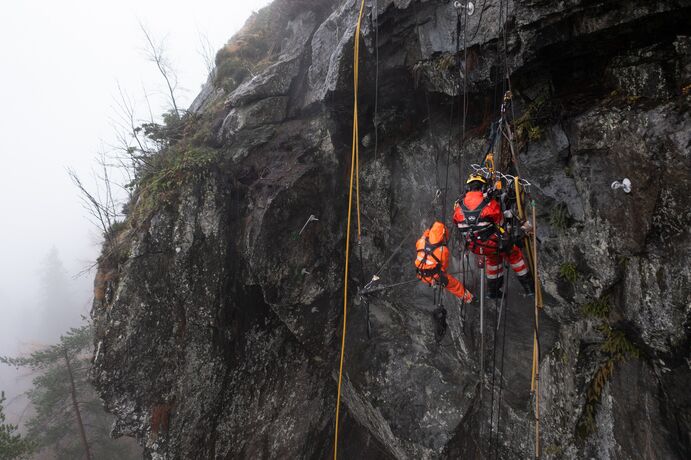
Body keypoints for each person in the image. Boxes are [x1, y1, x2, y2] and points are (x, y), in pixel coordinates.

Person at [453, 174, 534, 298]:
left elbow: (457, 224)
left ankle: (493, 292)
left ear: (468, 188)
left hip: (474, 246)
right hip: (492, 243)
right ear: (483, 187)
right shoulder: (489, 203)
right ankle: (529, 287)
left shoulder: (458, 207)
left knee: (492, 259)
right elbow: (501, 224)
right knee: (514, 254)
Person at [415, 221, 473, 340]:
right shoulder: (443, 250)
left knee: (442, 278)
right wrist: (438, 279)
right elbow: (443, 267)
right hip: (434, 277)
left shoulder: (421, 242)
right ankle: (469, 298)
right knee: (453, 285)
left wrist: (430, 229)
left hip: (420, 274)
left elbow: (425, 236)